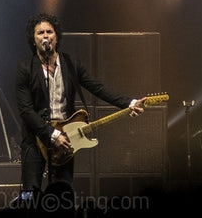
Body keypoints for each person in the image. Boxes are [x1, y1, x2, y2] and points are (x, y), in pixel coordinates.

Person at [14, 13, 147, 202]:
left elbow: (97, 88)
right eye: (40, 33)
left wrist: (129, 103)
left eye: (49, 32)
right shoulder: (25, 68)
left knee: (63, 193)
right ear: (33, 39)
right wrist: (52, 135)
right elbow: (26, 110)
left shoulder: (70, 64)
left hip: (66, 137)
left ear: (56, 36)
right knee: (30, 195)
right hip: (35, 139)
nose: (45, 36)